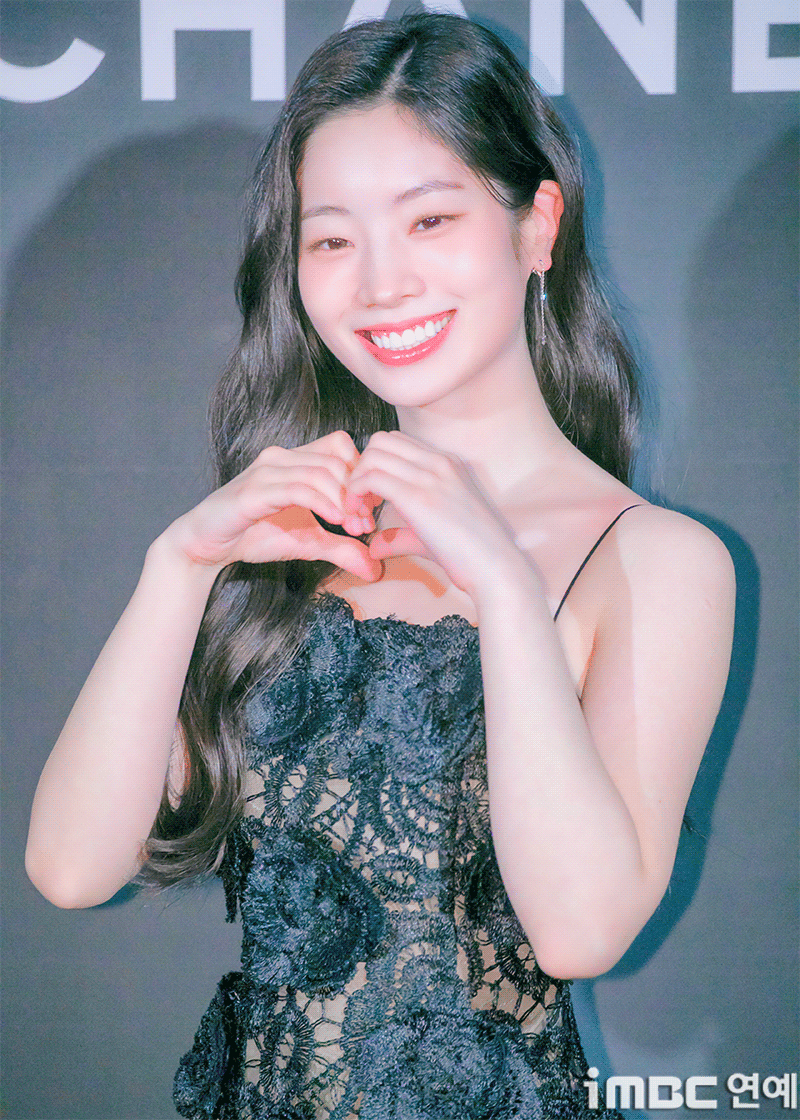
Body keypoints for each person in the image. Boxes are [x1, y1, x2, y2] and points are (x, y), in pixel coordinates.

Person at [25, 12, 735, 1119]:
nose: (380, 283)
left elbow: (578, 931)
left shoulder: (653, 559)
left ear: (537, 226)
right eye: (331, 241)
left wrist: (505, 591)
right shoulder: (289, 534)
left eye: (431, 219)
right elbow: (71, 868)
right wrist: (177, 568)